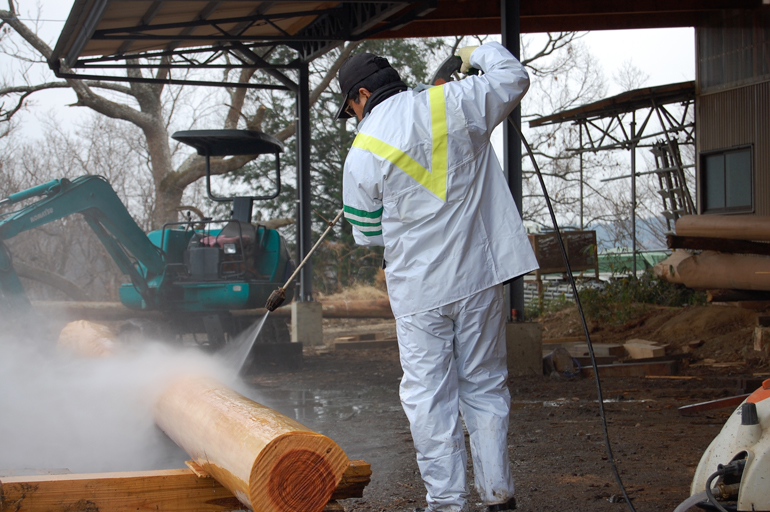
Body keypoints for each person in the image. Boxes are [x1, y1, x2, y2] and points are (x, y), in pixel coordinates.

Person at [336, 42, 538, 512]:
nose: (355, 117)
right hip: (478, 277)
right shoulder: (453, 100)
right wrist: (478, 51)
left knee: (430, 399)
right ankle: (497, 494)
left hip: (420, 291)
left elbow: (365, 234)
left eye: (351, 108)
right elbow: (514, 78)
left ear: (362, 95)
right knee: (485, 385)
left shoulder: (363, 150)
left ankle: (446, 504)